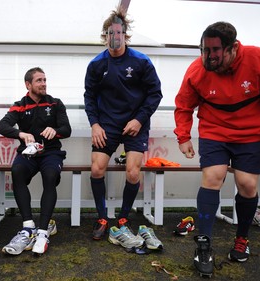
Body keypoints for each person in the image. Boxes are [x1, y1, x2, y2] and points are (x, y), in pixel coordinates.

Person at [174, 21, 260, 277]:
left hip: (250, 133)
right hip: (214, 130)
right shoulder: (197, 70)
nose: (209, 56)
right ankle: (203, 244)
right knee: (212, 176)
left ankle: (242, 238)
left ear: (233, 48)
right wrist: (183, 136)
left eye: (215, 50)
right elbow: (183, 105)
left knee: (247, 184)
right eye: (204, 49)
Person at [83, 6, 163, 243]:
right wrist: (95, 125)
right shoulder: (97, 64)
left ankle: (124, 218)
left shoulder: (141, 61)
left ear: (125, 35)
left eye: (118, 33)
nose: (114, 37)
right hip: (106, 124)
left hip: (134, 123)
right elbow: (89, 96)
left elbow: (155, 94)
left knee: (132, 171)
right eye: (110, 33)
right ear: (105, 35)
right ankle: (102, 218)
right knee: (97, 168)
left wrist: (139, 120)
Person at [0, 67, 71, 256]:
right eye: (39, 80)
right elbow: (2, 126)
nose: (44, 83)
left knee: (50, 175)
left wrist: (55, 131)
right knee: (17, 171)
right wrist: (20, 134)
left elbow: (66, 129)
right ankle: (28, 227)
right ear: (28, 85)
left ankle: (44, 231)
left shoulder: (55, 103)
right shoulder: (19, 105)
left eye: (45, 80)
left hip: (51, 153)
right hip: (28, 153)